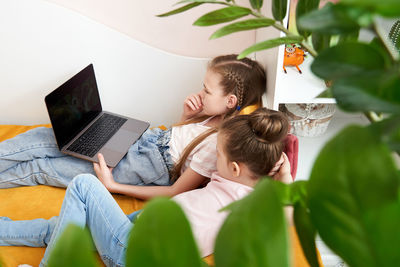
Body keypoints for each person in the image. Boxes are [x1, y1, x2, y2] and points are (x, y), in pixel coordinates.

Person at [0, 108, 292, 267]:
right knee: (63, 227)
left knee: (83, 184)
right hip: (137, 232)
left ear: (236, 169)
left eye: (218, 154)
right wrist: (284, 173)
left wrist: (286, 176)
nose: (214, 157)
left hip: (131, 250)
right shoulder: (253, 192)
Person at [0, 55, 267, 199]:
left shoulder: (218, 147)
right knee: (46, 137)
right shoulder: (213, 117)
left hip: (142, 167)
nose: (200, 93)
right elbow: (180, 143)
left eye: (207, 91)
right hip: (146, 142)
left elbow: (174, 190)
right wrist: (186, 117)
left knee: (41, 167)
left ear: (230, 101)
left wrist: (112, 185)